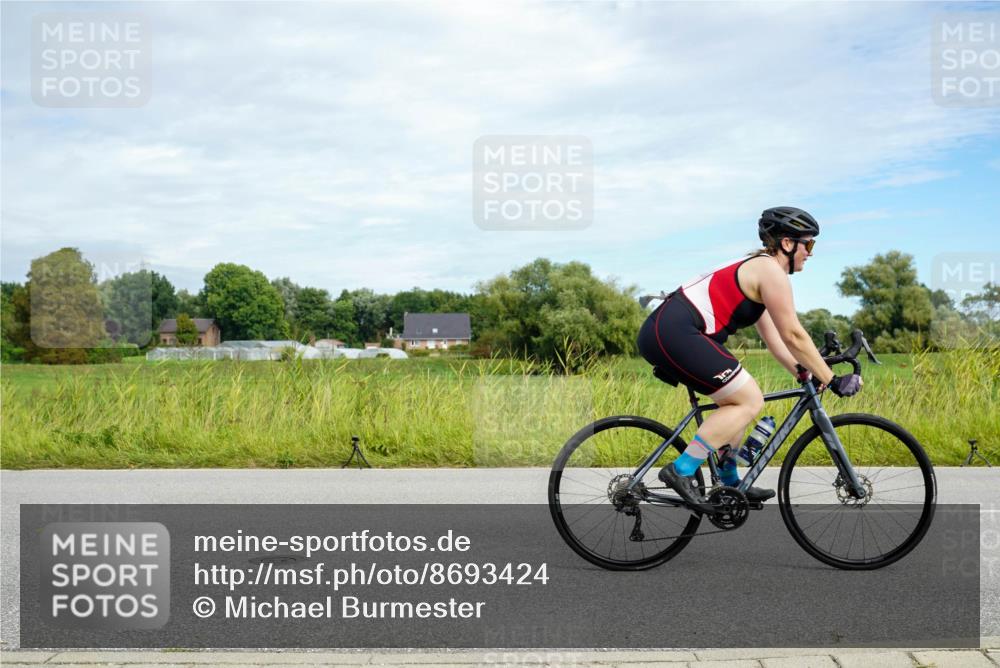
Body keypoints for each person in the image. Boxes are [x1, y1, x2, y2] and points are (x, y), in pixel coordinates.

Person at [636, 206, 863, 505]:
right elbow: (794, 334)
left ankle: (729, 484)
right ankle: (681, 470)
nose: (811, 252)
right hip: (673, 332)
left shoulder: (762, 270)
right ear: (787, 243)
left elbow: (777, 340)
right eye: (808, 244)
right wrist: (831, 378)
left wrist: (804, 371)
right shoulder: (769, 271)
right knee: (749, 399)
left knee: (737, 397)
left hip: (673, 331)